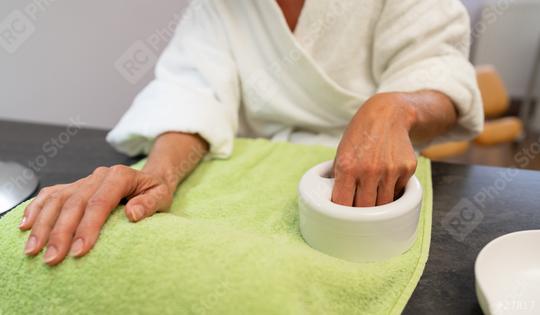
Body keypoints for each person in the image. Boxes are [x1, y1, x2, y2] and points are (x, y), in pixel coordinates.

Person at [19, 0, 483, 266]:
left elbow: (438, 68)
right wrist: (160, 173)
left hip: (377, 188)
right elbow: (192, 91)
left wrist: (395, 108)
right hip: (250, 180)